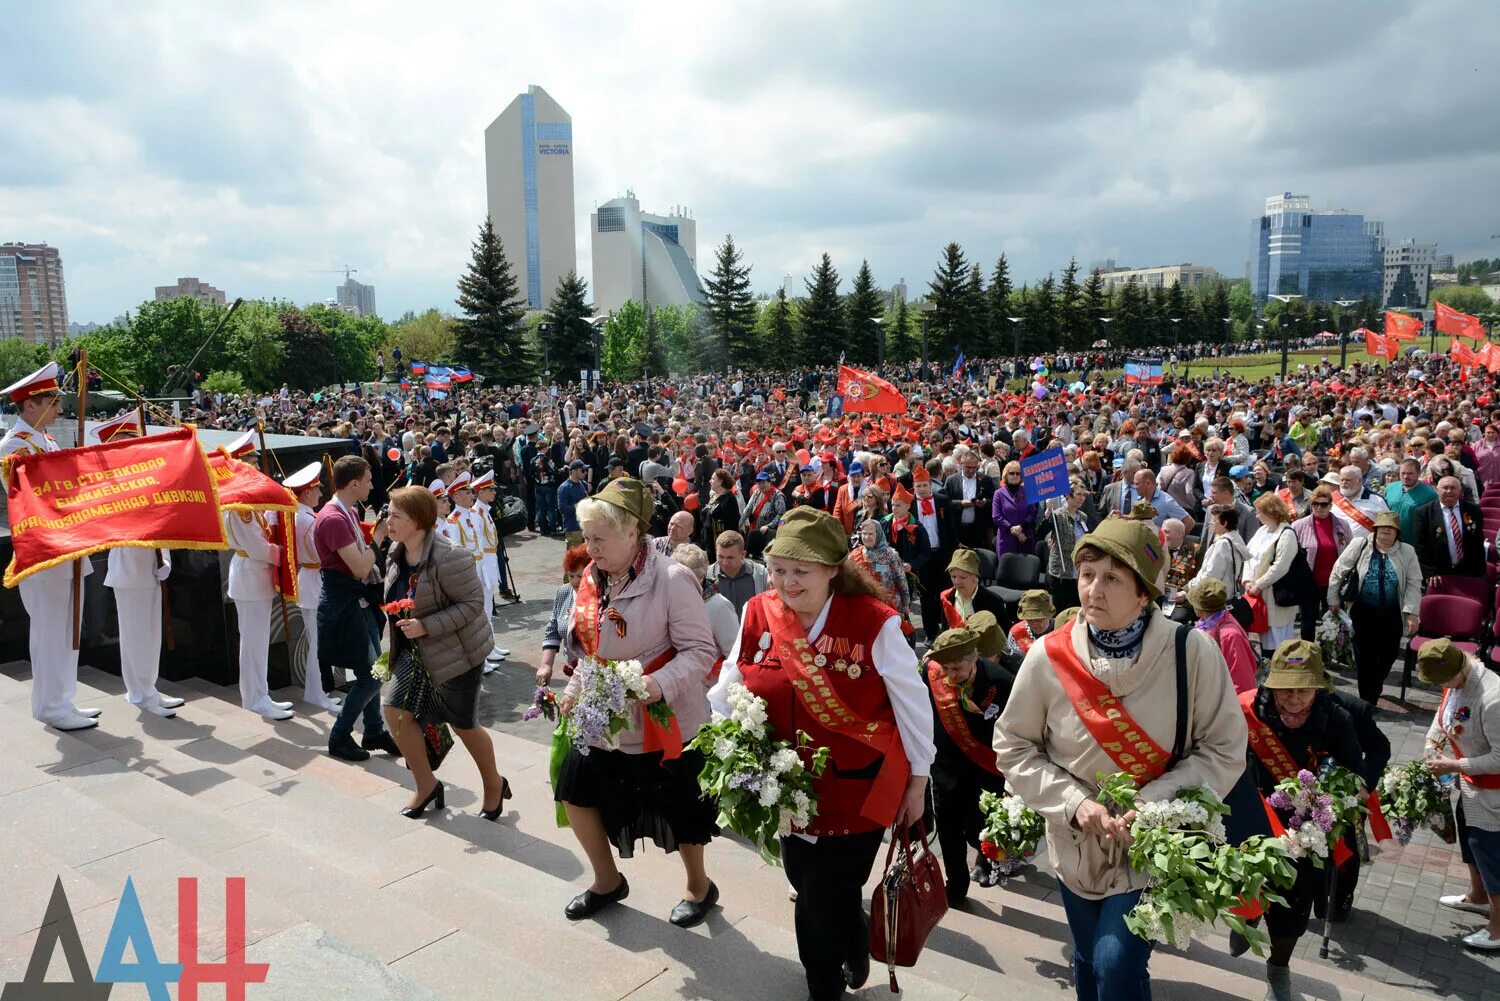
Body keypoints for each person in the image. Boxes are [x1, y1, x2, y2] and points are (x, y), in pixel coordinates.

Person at [993, 516, 1247, 1001]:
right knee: (1089, 959)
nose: (1093, 589)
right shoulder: (1049, 655)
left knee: (1116, 961)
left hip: (1152, 843)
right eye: (1088, 574)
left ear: (1144, 592)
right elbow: (1014, 746)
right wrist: (1073, 804)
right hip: (1074, 840)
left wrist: (1153, 802)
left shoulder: (1191, 652)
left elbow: (1223, 749)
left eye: (1112, 578)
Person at [709, 506, 935, 1001]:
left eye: (801, 571)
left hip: (856, 789)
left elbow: (913, 705)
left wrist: (918, 782)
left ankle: (823, 985)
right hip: (781, 788)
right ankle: (853, 943)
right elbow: (731, 684)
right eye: (779, 569)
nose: (787, 583)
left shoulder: (876, 623)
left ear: (833, 569)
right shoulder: (757, 612)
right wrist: (727, 743)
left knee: (817, 894)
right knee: (807, 880)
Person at [556, 479, 720, 928]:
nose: (590, 549)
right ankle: (607, 881)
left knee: (683, 808)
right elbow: (591, 645)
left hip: (664, 718)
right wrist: (573, 691)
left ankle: (699, 886)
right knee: (574, 790)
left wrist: (657, 684)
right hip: (603, 716)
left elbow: (701, 651)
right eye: (586, 538)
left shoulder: (672, 578)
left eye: (598, 539)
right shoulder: (592, 577)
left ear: (632, 533)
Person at [1242, 640, 1364, 999]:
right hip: (1257, 816)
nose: (1293, 699)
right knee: (1248, 888)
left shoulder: (1336, 719)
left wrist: (1334, 806)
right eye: (1285, 689)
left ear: (1318, 687)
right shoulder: (1252, 713)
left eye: (1303, 690)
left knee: (1293, 909)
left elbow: (1354, 776)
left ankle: (1279, 970)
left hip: (1307, 830)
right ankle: (1248, 918)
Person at [380, 483, 509, 818]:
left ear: (419, 521)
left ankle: (494, 783)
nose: (388, 520)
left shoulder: (450, 555)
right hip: (416, 654)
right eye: (388, 513)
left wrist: (427, 625)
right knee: (394, 711)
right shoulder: (396, 550)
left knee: (463, 724)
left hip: (458, 653)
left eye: (396, 515)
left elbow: (472, 605)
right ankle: (425, 784)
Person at [0, 363, 99, 731]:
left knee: (67, 629)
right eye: (52, 402)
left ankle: (63, 700)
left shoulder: (48, 441)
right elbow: (31, 499)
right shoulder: (15, 446)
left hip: (67, 549)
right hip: (43, 553)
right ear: (29, 405)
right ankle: (49, 706)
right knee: (49, 630)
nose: (59, 410)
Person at [95, 413, 184, 719]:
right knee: (134, 635)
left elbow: (163, 520)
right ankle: (139, 693)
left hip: (151, 565)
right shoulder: (111, 486)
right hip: (128, 567)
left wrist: (166, 559)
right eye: (128, 443)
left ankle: (150, 687)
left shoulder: (147, 478)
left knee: (151, 633)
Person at [924, 614, 1013, 908]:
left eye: (958, 667)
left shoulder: (1000, 681)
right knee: (948, 830)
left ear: (974, 656)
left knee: (977, 828)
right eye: (946, 668)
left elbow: (1018, 726)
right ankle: (956, 885)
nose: (951, 674)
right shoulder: (931, 676)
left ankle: (987, 859)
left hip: (985, 770)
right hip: (945, 767)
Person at [317, 456, 400, 761]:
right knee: (372, 675)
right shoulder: (333, 518)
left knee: (376, 667)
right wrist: (377, 537)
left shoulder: (348, 511)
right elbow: (361, 568)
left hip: (359, 602)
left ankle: (374, 730)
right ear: (354, 483)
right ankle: (339, 736)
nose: (372, 485)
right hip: (345, 605)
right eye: (367, 480)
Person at [1421, 639, 1500, 951]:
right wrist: (1431, 745)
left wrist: (1454, 764)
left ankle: (1497, 927)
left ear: (1460, 667)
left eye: (1442, 681)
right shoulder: (1454, 682)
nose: (1441, 687)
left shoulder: (1493, 699)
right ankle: (1478, 897)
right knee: (1470, 839)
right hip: (1470, 784)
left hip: (1493, 792)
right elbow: (1443, 718)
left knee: (1490, 851)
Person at [222, 433, 295, 722]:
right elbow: (257, 547)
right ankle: (254, 698)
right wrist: (286, 555)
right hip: (250, 577)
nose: (256, 470)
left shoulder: (249, 505)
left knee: (258, 640)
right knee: (253, 642)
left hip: (255, 578)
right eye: (251, 464)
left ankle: (260, 694)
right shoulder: (242, 509)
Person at [1327, 511, 1422, 707]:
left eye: (1390, 529)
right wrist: (1333, 598)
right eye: (1382, 528)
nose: (1385, 532)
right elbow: (1339, 570)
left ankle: (1375, 685)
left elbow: (1414, 583)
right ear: (1375, 530)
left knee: (1388, 655)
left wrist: (1412, 612)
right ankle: (1367, 701)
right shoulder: (1360, 545)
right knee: (1365, 657)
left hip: (1392, 614)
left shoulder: (1407, 551)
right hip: (1363, 612)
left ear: (1397, 533)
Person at [285, 461, 341, 711]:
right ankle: (316, 693)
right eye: (317, 489)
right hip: (313, 580)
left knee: (318, 642)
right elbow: (318, 555)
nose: (321, 493)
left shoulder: (302, 515)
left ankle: (315, 692)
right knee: (317, 644)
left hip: (311, 580)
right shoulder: (306, 519)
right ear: (306, 492)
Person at [1292, 486, 1351, 642]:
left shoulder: (1342, 525)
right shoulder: (1298, 526)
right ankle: (1307, 652)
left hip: (1333, 584)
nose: (1319, 507)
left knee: (1331, 622)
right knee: (1307, 622)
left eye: (1324, 504)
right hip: (1308, 582)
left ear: (1331, 506)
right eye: (1315, 504)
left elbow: (1350, 553)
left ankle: (1328, 654)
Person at [1244, 493, 1300, 653]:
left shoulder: (1286, 533)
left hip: (1275, 595)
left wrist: (1259, 585)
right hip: (1256, 593)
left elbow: (1281, 566)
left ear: (1270, 512)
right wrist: (1247, 580)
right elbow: (1247, 556)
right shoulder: (1262, 530)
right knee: (1261, 637)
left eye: (1259, 512)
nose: (1256, 515)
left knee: (1276, 641)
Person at [673, 544, 738, 675]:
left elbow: (734, 655)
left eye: (684, 579)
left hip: (706, 688)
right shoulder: (671, 600)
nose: (677, 584)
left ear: (700, 577)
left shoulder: (719, 606)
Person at [1185, 578, 1257, 694]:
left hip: (1222, 702)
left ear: (1198, 608)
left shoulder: (1230, 635)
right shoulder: (1208, 622)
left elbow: (1242, 684)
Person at [1413, 475, 1485, 584]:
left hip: (1470, 572)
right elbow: (1420, 546)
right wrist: (1430, 572)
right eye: (1445, 487)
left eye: (1453, 488)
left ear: (1460, 491)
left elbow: (1478, 541)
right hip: (1439, 575)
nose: (1449, 491)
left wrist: (1480, 572)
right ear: (1437, 490)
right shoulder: (1423, 513)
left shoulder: (1473, 510)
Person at [537, 544, 589, 685]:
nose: (574, 581)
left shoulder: (601, 596)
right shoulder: (563, 592)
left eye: (580, 576)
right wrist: (546, 665)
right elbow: (552, 630)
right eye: (571, 576)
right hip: (575, 671)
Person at [1038, 477, 1091, 610]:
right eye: (1078, 494)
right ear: (1068, 495)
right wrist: (1048, 512)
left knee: (1076, 609)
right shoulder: (1057, 515)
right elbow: (1041, 531)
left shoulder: (1083, 516)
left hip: (1078, 570)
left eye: (1083, 495)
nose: (1082, 498)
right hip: (1062, 571)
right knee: (1060, 609)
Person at [851, 517, 913, 625]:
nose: (866, 537)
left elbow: (901, 580)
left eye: (870, 534)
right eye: (864, 533)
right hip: (864, 608)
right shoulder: (855, 555)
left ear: (878, 534)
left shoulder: (890, 555)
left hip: (889, 606)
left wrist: (906, 604)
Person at [940, 549, 1007, 634]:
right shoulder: (948, 597)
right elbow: (944, 630)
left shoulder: (993, 601)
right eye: (953, 577)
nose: (957, 582)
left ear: (975, 578)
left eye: (963, 577)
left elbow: (1004, 634)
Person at [706, 530, 766, 615]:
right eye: (720, 556)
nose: (725, 563)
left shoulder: (761, 575)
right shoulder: (707, 576)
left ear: (743, 554)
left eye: (730, 558)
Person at [1384, 458, 1436, 544]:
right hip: (1390, 542)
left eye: (1410, 473)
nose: (1405, 477)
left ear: (1418, 473)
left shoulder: (1430, 494)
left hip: (1414, 544)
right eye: (1403, 473)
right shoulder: (1390, 488)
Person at [991, 460, 1035, 557]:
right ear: (1006, 475)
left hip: (1025, 538)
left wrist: (1021, 527)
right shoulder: (998, 493)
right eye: (1011, 473)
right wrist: (1012, 529)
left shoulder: (1028, 491)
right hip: (1006, 539)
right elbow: (996, 516)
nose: (1015, 476)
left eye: (1018, 473)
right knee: (1006, 569)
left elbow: (1032, 513)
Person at [740, 470, 786, 557]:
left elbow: (781, 514)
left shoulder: (777, 495)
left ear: (769, 482)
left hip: (770, 532)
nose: (761, 485)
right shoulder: (756, 493)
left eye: (763, 482)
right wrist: (738, 525)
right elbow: (747, 510)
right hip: (755, 530)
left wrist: (769, 526)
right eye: (759, 483)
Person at [701, 469, 740, 561]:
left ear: (720, 482)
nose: (710, 481)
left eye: (713, 479)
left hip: (721, 542)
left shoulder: (729, 498)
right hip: (709, 540)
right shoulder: (714, 496)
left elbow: (732, 521)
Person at [1006, 589, 1054, 657]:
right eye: (1029, 620)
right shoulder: (1016, 633)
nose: (1034, 624)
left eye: (1039, 620)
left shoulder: (1061, 630)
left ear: (1049, 615)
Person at [557, 459, 591, 548]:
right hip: (573, 528)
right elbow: (562, 508)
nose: (585, 473)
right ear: (574, 471)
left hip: (585, 527)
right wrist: (579, 505)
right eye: (583, 470)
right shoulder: (564, 488)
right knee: (575, 558)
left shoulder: (584, 484)